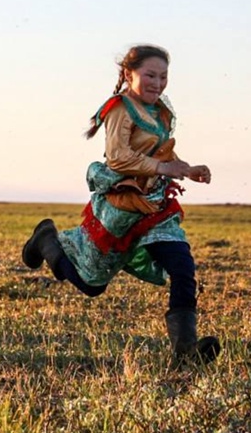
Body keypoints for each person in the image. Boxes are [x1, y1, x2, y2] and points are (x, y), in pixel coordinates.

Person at [21, 45, 221, 366]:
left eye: (163, 76)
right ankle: (48, 242)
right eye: (150, 75)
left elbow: (163, 154)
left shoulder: (161, 111)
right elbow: (118, 157)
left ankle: (186, 350)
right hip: (121, 208)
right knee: (91, 285)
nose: (158, 83)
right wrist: (164, 169)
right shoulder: (120, 109)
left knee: (182, 266)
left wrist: (187, 169)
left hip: (156, 207)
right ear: (129, 74)